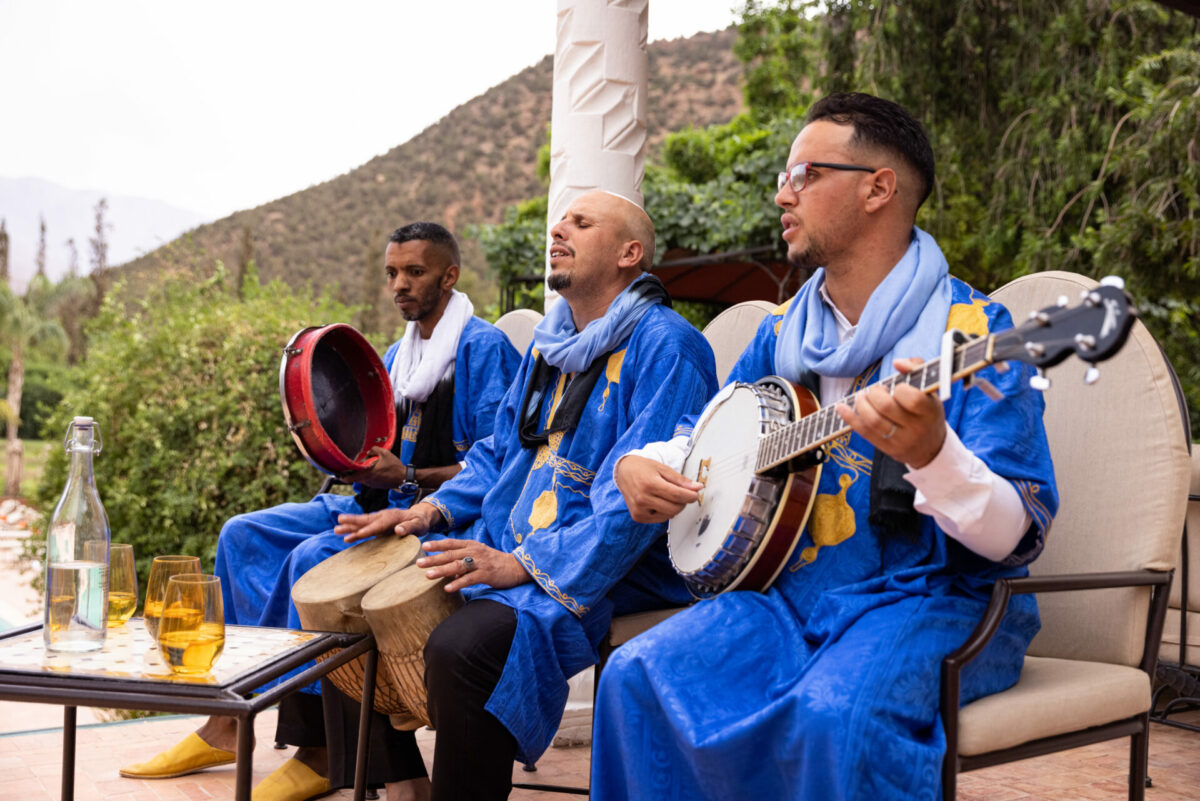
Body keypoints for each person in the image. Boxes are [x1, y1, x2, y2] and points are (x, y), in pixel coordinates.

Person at [591, 93, 1059, 800]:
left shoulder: (973, 334)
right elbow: (708, 435)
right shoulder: (779, 333)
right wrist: (639, 463)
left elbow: (1021, 532)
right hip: (784, 597)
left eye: (805, 173)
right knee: (635, 677)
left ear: (879, 187)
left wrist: (935, 455)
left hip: (933, 600)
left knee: (834, 715)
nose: (783, 193)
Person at [336, 190, 719, 801]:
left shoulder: (667, 346)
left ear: (630, 253)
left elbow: (638, 508)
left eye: (581, 222)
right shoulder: (550, 343)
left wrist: (523, 565)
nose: (559, 229)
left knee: (464, 646)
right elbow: (497, 452)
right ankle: (405, 783)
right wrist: (427, 510)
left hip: (614, 564)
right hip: (512, 532)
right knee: (344, 599)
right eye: (561, 219)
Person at [120, 222, 521, 801]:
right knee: (243, 534)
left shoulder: (483, 351)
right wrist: (339, 453)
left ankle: (318, 746)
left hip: (431, 518)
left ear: (449, 275)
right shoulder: (398, 356)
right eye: (392, 274)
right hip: (372, 501)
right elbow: (375, 449)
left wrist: (406, 477)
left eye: (415, 272)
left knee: (313, 556)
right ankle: (228, 718)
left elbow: (499, 467)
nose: (400, 285)